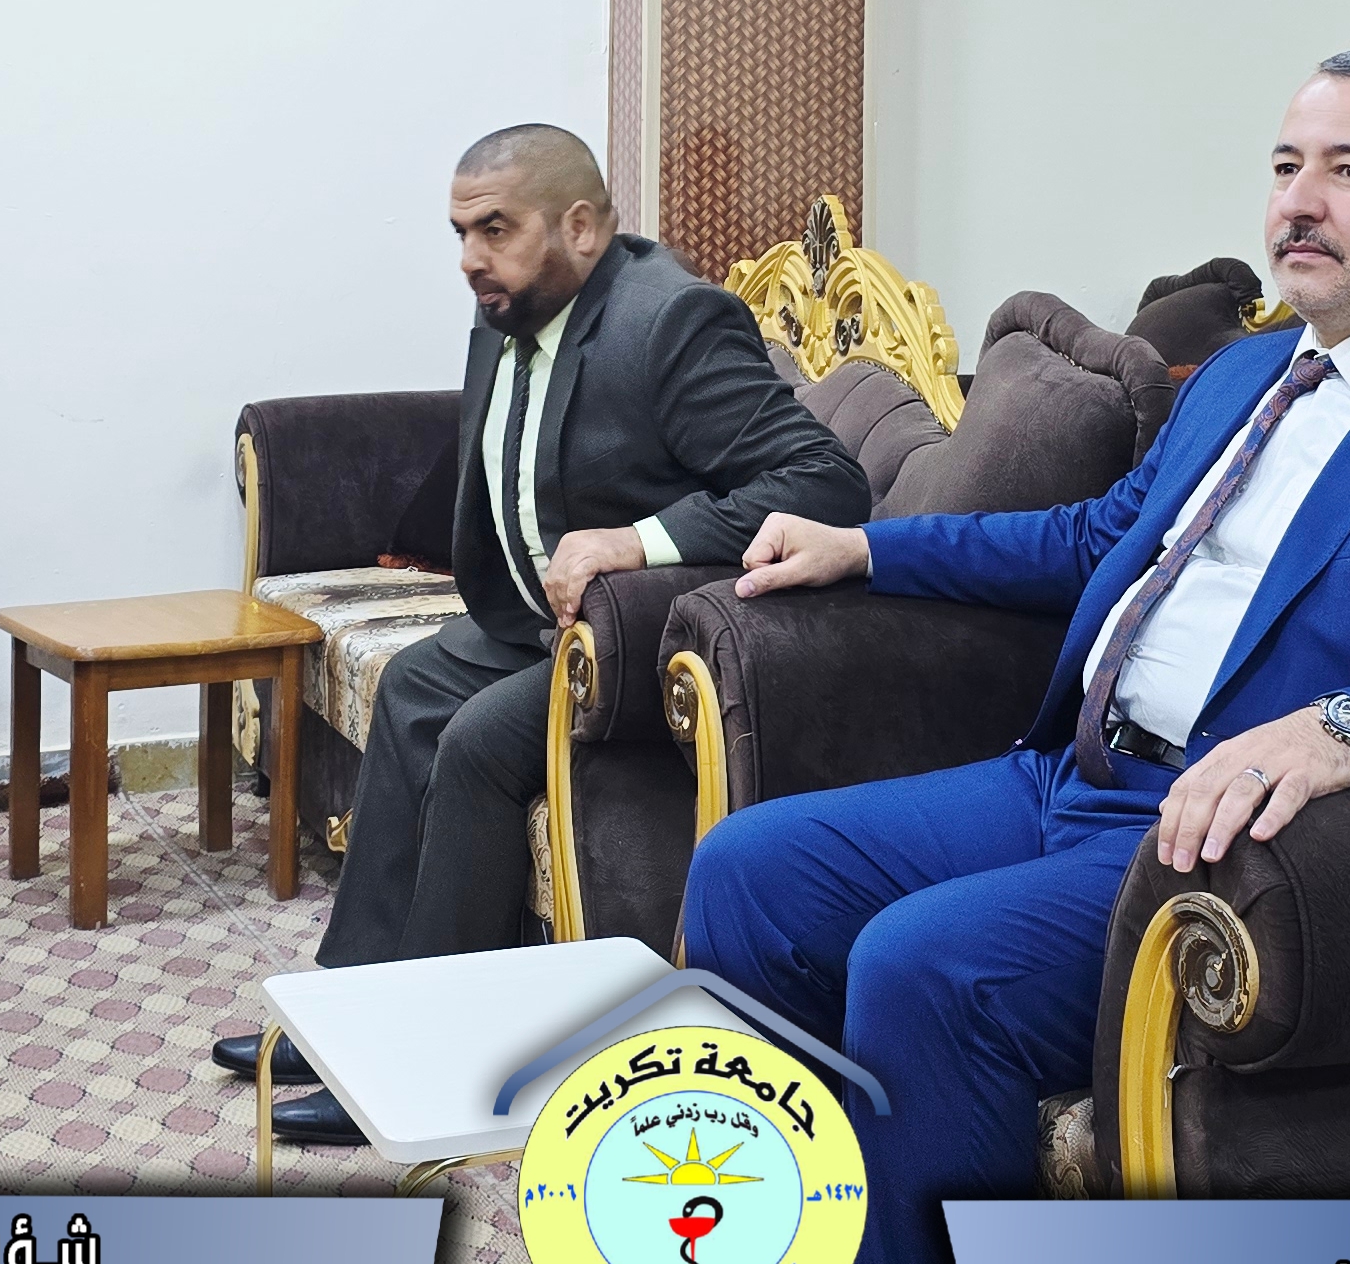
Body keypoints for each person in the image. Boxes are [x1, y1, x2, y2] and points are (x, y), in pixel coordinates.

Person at [610, 51, 1350, 1264]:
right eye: (1287, 166)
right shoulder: (1241, 375)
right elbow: (1097, 538)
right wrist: (867, 546)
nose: (1299, 201)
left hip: (1215, 842)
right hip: (1075, 773)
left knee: (925, 964)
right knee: (752, 870)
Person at [215, 124, 867, 1147]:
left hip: (644, 639)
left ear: (582, 226)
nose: (470, 256)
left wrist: (637, 541)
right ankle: (354, 1006)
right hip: (533, 623)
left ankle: (432, 1059)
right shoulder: (507, 308)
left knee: (478, 740)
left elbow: (823, 481)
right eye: (460, 232)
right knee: (416, 687)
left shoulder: (671, 321)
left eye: (495, 228)